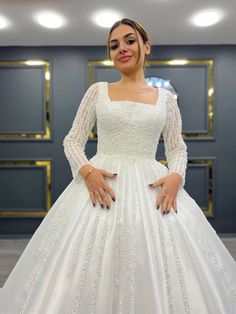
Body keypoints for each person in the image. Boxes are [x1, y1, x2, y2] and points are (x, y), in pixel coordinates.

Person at [0, 17, 236, 314]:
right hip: (100, 185)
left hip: (153, 186)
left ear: (146, 47)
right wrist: (87, 173)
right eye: (114, 45)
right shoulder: (97, 91)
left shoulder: (166, 100)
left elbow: (177, 147)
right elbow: (72, 140)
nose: (121, 48)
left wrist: (176, 176)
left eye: (129, 41)